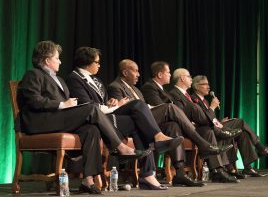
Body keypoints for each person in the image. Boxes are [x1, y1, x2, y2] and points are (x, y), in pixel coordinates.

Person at [17, 41, 167, 194]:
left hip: (59, 119)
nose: (60, 61)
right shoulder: (33, 74)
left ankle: (87, 180)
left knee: (92, 129)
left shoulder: (60, 80)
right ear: (47, 60)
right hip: (41, 121)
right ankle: (120, 147)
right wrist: (63, 105)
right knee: (90, 108)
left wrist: (72, 105)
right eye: (57, 58)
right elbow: (33, 100)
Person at [65, 47, 184, 189]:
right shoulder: (74, 78)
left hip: (107, 115)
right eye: (97, 62)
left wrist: (111, 103)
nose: (99, 65)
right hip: (95, 119)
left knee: (139, 120)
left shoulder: (96, 80)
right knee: (138, 106)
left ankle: (148, 174)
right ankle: (156, 143)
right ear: (87, 62)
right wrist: (115, 106)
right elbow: (87, 105)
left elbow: (102, 103)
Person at [107, 59, 236, 183]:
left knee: (175, 125)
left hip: (153, 120)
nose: (138, 74)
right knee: (173, 108)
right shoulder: (116, 86)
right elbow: (124, 109)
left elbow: (144, 106)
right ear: (125, 72)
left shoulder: (137, 90)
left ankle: (180, 174)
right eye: (135, 71)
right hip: (135, 123)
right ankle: (208, 139)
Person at [141, 61, 240, 182]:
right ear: (160, 74)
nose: (170, 75)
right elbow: (162, 108)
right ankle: (213, 136)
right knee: (192, 108)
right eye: (168, 72)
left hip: (178, 124)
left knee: (206, 130)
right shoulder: (150, 87)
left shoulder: (164, 90)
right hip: (160, 125)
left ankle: (217, 171)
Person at [191, 75, 268, 177]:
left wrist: (220, 121)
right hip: (205, 131)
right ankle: (261, 148)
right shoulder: (194, 99)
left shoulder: (205, 101)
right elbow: (203, 119)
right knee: (240, 122)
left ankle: (248, 167)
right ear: (196, 86)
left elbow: (211, 119)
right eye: (205, 84)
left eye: (208, 84)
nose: (208, 87)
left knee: (242, 132)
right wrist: (212, 107)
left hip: (216, 126)